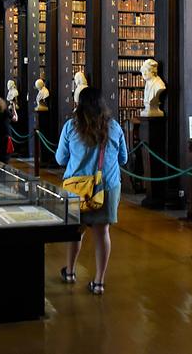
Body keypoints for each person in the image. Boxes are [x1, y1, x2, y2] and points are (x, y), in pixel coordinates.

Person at [55, 88, 128, 295]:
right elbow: (124, 159)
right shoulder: (114, 127)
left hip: (76, 189)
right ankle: (99, 282)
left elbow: (60, 159)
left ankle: (70, 272)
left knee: (75, 232)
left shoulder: (71, 126)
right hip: (106, 187)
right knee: (102, 232)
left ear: (79, 104)